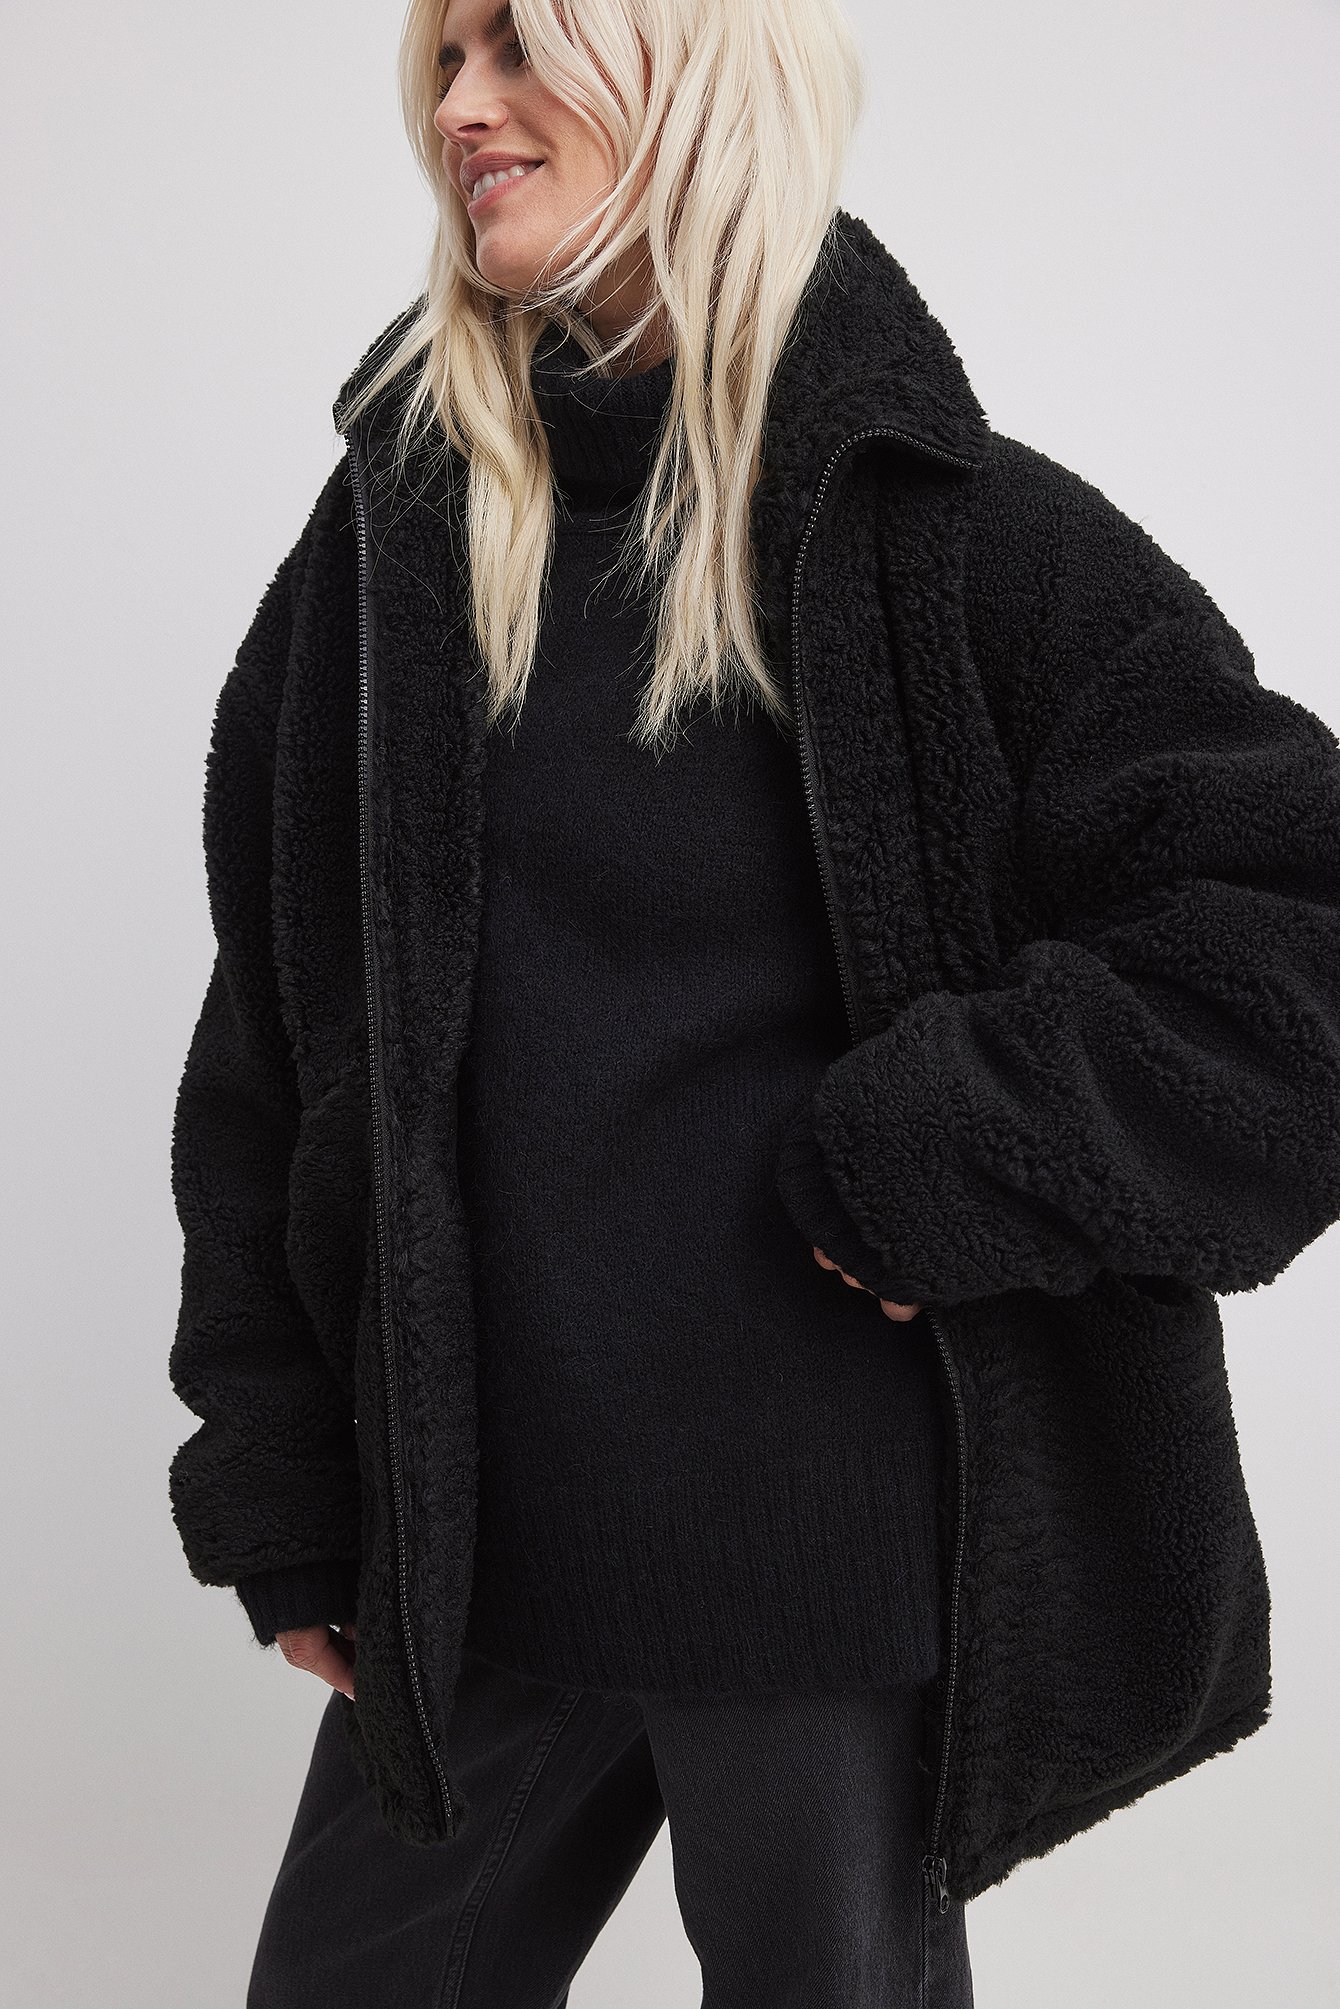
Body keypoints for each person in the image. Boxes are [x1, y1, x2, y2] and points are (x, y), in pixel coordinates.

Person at [166, 0, 1340, 2002]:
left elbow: (1294, 928)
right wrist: (283, 1470)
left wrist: (950, 1155)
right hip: (477, 1543)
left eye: (522, 49)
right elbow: (277, 1036)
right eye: (446, 63)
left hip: (826, 1560)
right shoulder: (389, 548)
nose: (463, 109)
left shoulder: (949, 530)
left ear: (694, 76)